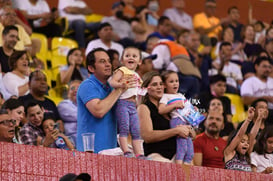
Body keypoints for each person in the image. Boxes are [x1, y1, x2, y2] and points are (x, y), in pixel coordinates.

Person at [76, 48, 134, 153]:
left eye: (108, 61)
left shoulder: (111, 88)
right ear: (91, 68)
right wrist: (120, 89)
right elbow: (98, 111)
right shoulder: (87, 85)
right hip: (89, 154)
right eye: (102, 61)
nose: (108, 64)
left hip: (110, 152)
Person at [137, 71, 192, 162]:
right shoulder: (144, 107)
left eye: (161, 84)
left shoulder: (171, 107)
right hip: (156, 156)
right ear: (146, 88)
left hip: (176, 156)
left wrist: (188, 128)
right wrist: (176, 131)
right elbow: (147, 136)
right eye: (155, 84)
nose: (159, 87)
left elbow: (193, 135)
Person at [108, 46, 147, 159]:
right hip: (123, 103)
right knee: (124, 128)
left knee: (135, 130)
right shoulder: (122, 70)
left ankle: (139, 153)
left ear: (139, 61)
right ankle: (126, 151)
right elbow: (112, 82)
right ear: (122, 60)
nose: (131, 58)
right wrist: (121, 85)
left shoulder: (137, 76)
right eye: (127, 55)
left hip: (132, 106)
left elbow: (140, 92)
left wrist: (144, 92)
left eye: (134, 56)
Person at [158, 71, 196, 164]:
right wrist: (174, 105)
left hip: (186, 122)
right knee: (182, 146)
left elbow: (188, 108)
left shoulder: (181, 95)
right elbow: (161, 110)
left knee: (190, 151)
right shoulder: (165, 96)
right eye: (171, 81)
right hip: (177, 121)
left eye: (177, 81)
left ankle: (187, 168)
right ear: (165, 85)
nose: (175, 83)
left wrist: (194, 109)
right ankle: (179, 166)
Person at [224, 107, 262, 172]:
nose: (246, 144)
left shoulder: (247, 156)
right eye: (242, 141)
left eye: (247, 142)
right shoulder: (229, 152)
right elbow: (239, 136)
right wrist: (248, 119)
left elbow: (253, 136)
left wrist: (259, 118)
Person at [57, 80, 81, 145]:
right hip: (69, 142)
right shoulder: (63, 104)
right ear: (68, 93)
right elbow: (81, 116)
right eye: (72, 88)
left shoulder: (87, 105)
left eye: (79, 88)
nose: (75, 90)